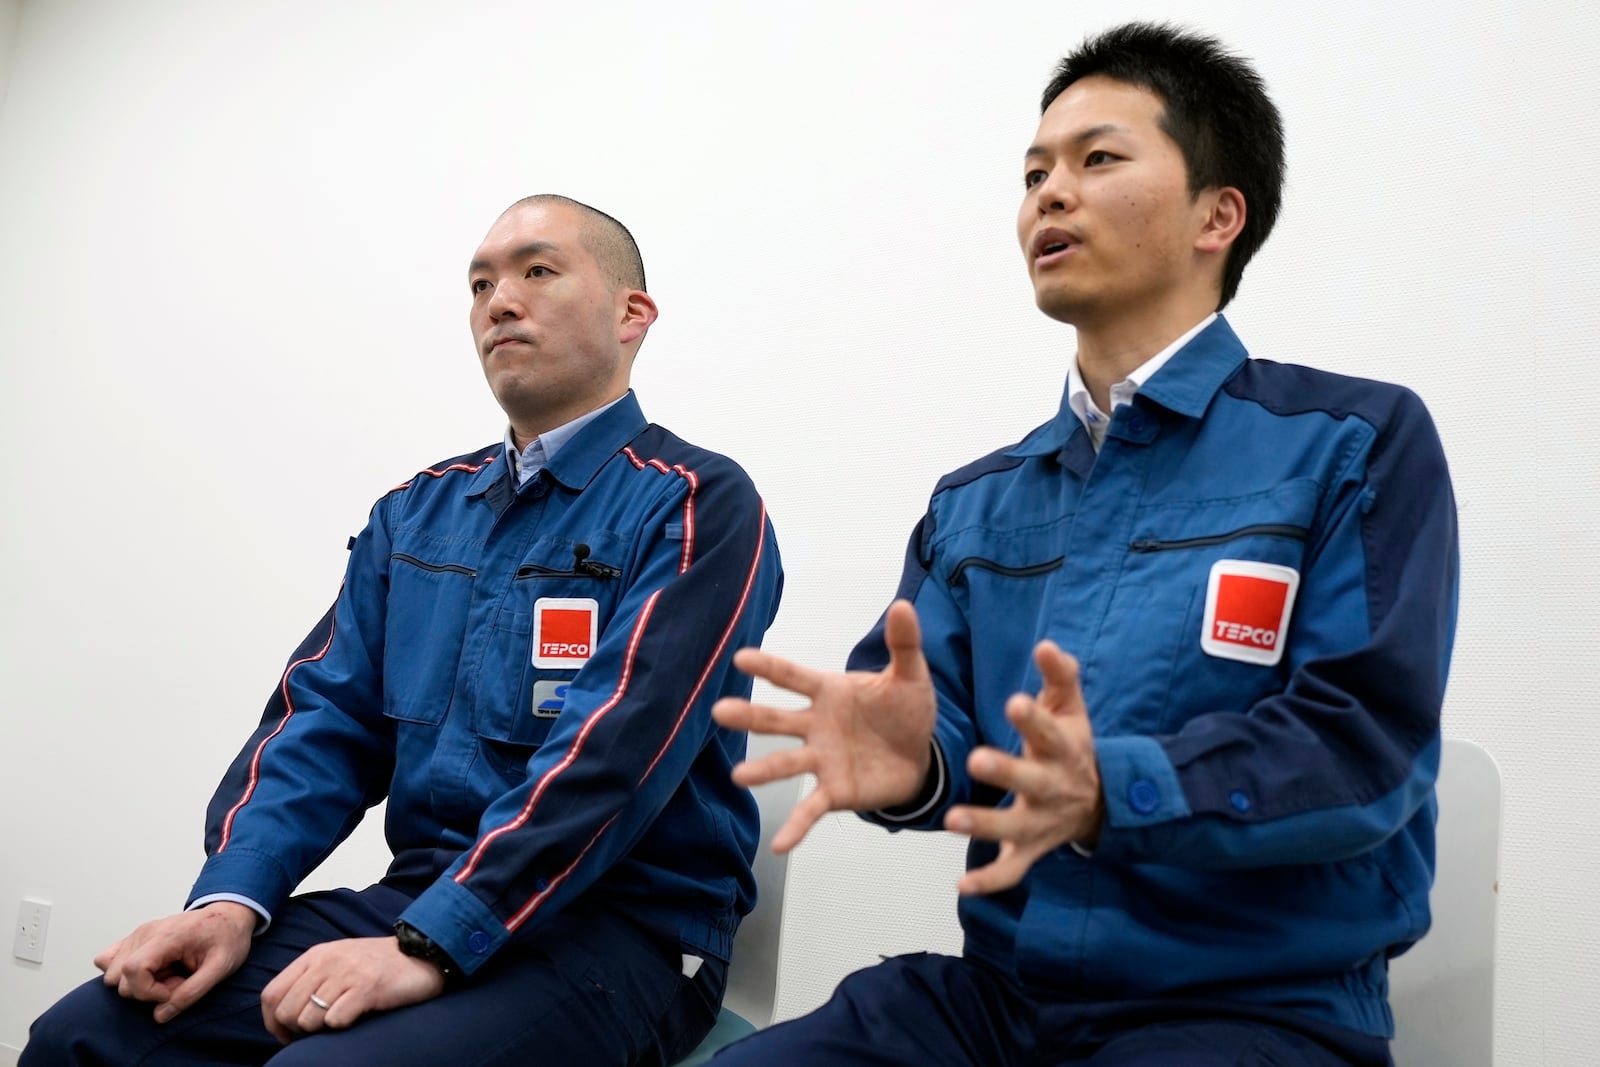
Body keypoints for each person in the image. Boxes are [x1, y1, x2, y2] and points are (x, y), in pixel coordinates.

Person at [711, 22, 1456, 1067]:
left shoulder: (1350, 444)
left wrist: (1117, 785)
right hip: (1004, 1002)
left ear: (1217, 214)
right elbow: (948, 737)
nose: (1047, 195)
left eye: (1096, 159)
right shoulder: (976, 503)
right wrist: (914, 764)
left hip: (1254, 1010)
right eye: (1032, 173)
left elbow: (1361, 749)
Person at [22, 194, 784, 1067]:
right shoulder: (416, 515)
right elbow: (322, 724)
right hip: (421, 897)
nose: (498, 300)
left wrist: (435, 943)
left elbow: (612, 758)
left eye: (537, 270)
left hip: (622, 932)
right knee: (82, 1036)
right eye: (480, 283)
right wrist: (231, 901)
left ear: (631, 314)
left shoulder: (695, 504)